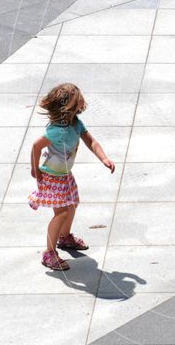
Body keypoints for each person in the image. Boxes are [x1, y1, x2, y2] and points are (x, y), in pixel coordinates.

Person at [28, 83, 115, 271]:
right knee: (61, 213)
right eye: (78, 99)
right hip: (52, 177)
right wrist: (35, 169)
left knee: (72, 205)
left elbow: (90, 140)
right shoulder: (56, 130)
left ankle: (65, 238)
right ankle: (48, 253)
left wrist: (104, 158)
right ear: (70, 106)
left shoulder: (75, 123)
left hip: (65, 175)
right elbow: (36, 146)